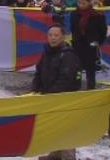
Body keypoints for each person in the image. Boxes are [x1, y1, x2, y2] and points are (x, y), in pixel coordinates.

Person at [33, 24, 81, 160]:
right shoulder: (46, 53)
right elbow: (38, 71)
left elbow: (65, 79)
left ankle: (68, 156)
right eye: (50, 35)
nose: (53, 38)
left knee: (66, 128)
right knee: (54, 127)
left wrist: (51, 95)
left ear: (62, 37)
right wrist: (35, 89)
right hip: (50, 98)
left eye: (56, 35)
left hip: (65, 99)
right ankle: (55, 154)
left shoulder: (68, 55)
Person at [70, 0, 106, 90]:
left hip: (91, 46)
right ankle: (76, 88)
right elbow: (73, 30)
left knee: (90, 70)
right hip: (78, 45)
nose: (81, 5)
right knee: (77, 69)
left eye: (83, 3)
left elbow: (103, 32)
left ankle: (91, 88)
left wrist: (97, 42)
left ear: (89, 2)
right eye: (79, 3)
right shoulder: (74, 14)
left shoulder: (97, 16)